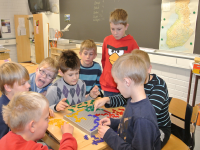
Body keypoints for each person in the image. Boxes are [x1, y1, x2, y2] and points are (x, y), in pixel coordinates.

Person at [95, 49, 171, 148]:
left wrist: (110, 136)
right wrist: (114, 122)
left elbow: (139, 123)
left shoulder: (143, 118)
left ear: (127, 82)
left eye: (117, 83)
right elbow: (131, 122)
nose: (117, 87)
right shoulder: (133, 100)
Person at [0, 91, 77, 150]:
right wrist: (67, 135)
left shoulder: (5, 139)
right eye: (46, 118)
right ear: (32, 125)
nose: (49, 121)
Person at [100, 8, 139, 97]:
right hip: (108, 86)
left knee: (123, 111)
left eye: (119, 29)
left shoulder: (132, 43)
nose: (115, 32)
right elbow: (104, 61)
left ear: (126, 26)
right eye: (112, 29)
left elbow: (136, 66)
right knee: (108, 110)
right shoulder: (107, 40)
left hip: (124, 87)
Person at [0, 62, 30, 139]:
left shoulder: (18, 101)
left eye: (27, 82)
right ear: (8, 87)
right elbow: (5, 143)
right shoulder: (3, 113)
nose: (28, 85)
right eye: (23, 83)